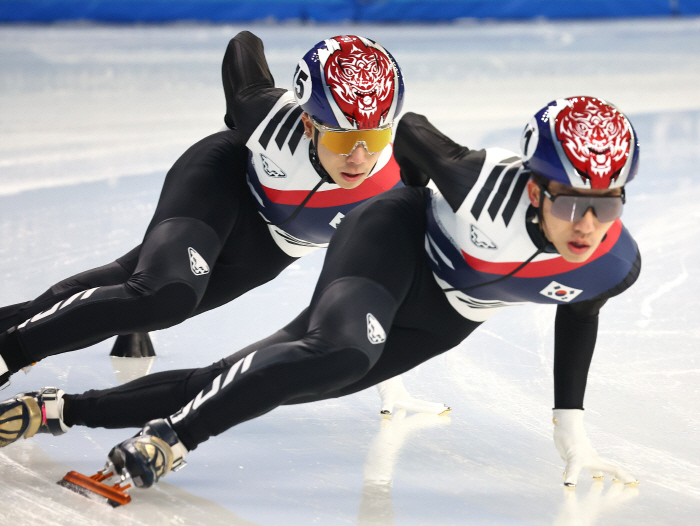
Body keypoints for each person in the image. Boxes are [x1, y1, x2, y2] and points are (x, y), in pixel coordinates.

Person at [0, 96, 641, 492]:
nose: (588, 225)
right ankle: (171, 439)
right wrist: (411, 203)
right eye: (573, 202)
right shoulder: (478, 184)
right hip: (389, 244)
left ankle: (55, 410)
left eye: (605, 204)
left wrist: (571, 433)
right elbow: (413, 130)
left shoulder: (614, 262)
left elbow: (578, 319)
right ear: (535, 190)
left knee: (278, 375)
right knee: (337, 352)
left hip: (447, 312)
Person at [0, 32, 446, 415]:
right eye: (345, 138)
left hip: (271, 246)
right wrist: (238, 117)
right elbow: (244, 46)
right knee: (163, 295)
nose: (360, 158)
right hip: (222, 181)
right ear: (309, 122)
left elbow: (384, 288)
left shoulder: (398, 184)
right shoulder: (270, 118)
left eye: (375, 136)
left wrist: (393, 386)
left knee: (138, 287)